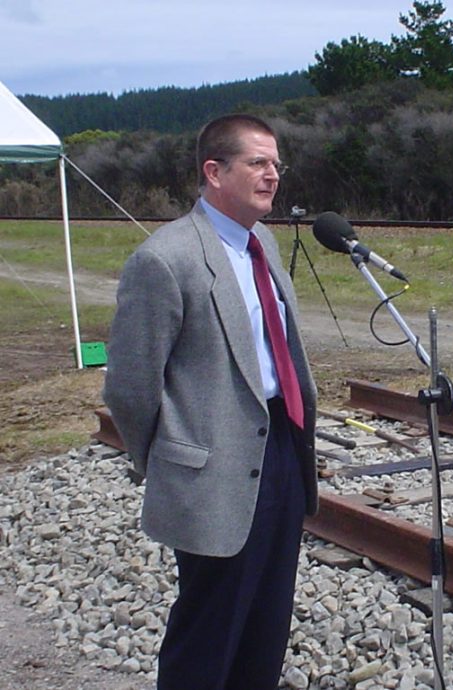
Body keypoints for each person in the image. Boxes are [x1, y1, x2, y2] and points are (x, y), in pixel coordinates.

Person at [103, 113, 318, 690]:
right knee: (210, 631)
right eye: (258, 163)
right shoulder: (164, 259)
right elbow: (130, 385)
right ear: (214, 172)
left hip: (282, 448)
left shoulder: (264, 244)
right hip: (212, 469)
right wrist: (173, 462)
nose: (273, 175)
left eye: (277, 164)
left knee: (266, 626)